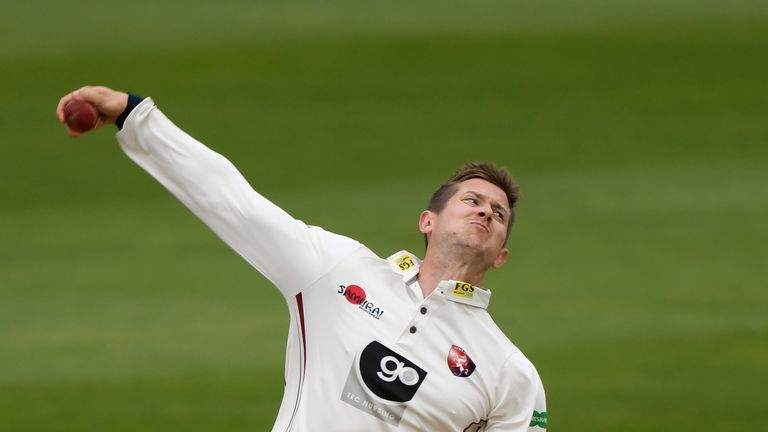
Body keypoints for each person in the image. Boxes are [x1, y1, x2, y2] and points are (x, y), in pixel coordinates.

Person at [56, 86, 548, 431]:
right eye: (472, 201)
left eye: (498, 213)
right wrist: (134, 114)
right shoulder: (338, 269)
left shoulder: (509, 372)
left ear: (501, 255)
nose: (485, 211)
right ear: (428, 221)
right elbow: (234, 202)